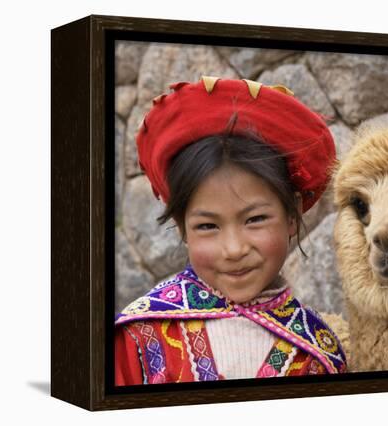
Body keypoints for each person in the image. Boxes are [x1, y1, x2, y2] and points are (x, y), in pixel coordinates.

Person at [115, 76, 346, 385]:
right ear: (183, 227)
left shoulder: (318, 355)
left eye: (255, 220)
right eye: (208, 226)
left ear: (291, 215)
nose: (234, 248)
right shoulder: (138, 338)